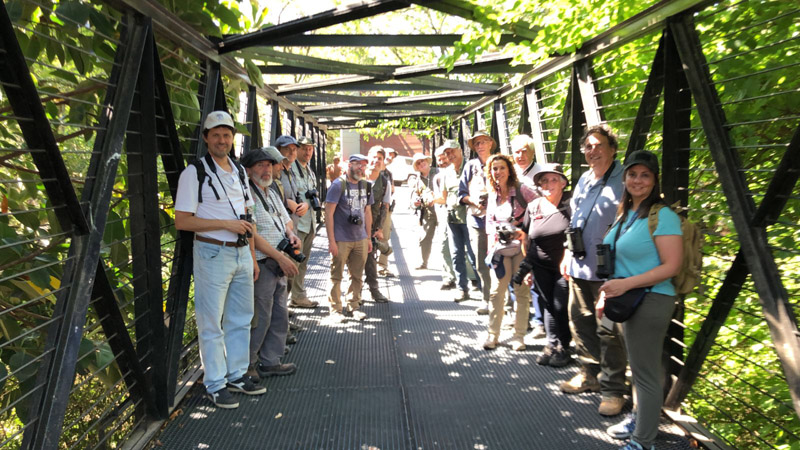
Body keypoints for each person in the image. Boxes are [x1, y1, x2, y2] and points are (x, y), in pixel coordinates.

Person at [174, 111, 266, 409]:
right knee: (211, 321)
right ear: (206, 138)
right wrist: (225, 224)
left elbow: (248, 216)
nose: (222, 140)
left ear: (232, 138)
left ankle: (236, 374)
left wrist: (252, 257)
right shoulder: (194, 173)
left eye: (226, 135)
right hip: (212, 253)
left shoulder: (239, 171)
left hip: (241, 253)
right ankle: (215, 383)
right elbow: (182, 221)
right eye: (216, 135)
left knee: (241, 317)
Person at [598, 150, 682, 450]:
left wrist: (625, 285)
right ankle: (639, 419)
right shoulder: (627, 213)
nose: (638, 180)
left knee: (645, 373)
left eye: (645, 175)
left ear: (655, 180)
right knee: (640, 367)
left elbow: (672, 266)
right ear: (625, 178)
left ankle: (643, 441)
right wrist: (607, 293)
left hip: (650, 299)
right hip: (627, 299)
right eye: (632, 174)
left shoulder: (663, 216)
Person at [559, 124, 628, 417]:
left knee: (609, 330)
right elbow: (575, 218)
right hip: (579, 265)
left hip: (610, 270)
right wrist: (566, 252)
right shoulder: (585, 179)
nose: (593, 151)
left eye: (599, 145)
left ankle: (613, 389)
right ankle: (589, 375)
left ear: (612, 149)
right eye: (588, 146)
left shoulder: (625, 179)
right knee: (580, 322)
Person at [240, 147, 301, 382]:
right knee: (260, 317)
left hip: (277, 262)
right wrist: (281, 257)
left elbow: (286, 220)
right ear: (248, 170)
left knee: (279, 314)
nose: (266, 169)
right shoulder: (246, 195)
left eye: (268, 165)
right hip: (263, 262)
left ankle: (270, 361)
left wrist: (291, 235)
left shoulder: (271, 191)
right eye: (260, 165)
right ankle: (247, 365)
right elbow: (252, 235)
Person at [482, 154, 539, 351]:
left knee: (521, 291)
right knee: (496, 292)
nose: (498, 172)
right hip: (500, 249)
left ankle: (519, 336)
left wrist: (525, 231)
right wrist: (490, 250)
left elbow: (541, 208)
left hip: (520, 248)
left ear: (509, 170)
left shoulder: (522, 190)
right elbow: (489, 226)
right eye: (494, 169)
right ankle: (493, 334)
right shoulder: (492, 195)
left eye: (502, 168)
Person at [523, 164, 572, 366]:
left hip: (564, 267)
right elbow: (526, 238)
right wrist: (528, 267)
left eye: (553, 180)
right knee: (547, 305)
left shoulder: (571, 204)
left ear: (563, 183)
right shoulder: (534, 206)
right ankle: (551, 344)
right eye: (544, 181)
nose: (548, 184)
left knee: (560, 306)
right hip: (540, 266)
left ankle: (564, 346)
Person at [325, 154, 374, 321]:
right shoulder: (338, 185)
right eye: (358, 164)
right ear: (349, 165)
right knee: (336, 275)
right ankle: (335, 310)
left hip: (360, 238)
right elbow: (328, 213)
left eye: (364, 165)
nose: (361, 168)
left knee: (357, 275)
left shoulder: (366, 186)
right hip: (341, 238)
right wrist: (332, 241)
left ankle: (353, 305)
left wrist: (368, 237)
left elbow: (367, 212)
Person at [437, 140, 481, 302]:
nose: (450, 155)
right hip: (453, 219)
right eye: (447, 153)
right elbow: (444, 197)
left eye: (452, 151)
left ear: (460, 150)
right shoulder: (446, 172)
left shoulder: (471, 168)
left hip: (470, 218)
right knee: (456, 255)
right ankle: (462, 289)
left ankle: (484, 289)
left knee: (474, 254)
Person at [512, 134, 546, 337]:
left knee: (535, 275)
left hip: (536, 230)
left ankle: (539, 321)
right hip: (515, 232)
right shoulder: (511, 172)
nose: (521, 155)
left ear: (532, 152)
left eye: (525, 151)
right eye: (517, 151)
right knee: (516, 275)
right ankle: (520, 318)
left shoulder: (541, 173)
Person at [459, 130, 495, 314]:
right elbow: (461, 194)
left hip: (497, 221)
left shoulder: (498, 163)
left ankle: (505, 304)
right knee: (481, 263)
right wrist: (473, 201)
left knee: (501, 262)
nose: (480, 146)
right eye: (477, 143)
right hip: (476, 220)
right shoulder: (470, 166)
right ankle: (486, 299)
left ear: (490, 143)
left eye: (483, 142)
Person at [288, 136, 320, 309]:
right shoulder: (290, 169)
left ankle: (298, 296)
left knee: (303, 262)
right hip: (297, 224)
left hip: (310, 223)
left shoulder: (309, 170)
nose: (308, 152)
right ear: (297, 149)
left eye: (310, 149)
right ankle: (283, 302)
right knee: (292, 262)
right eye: (304, 148)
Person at [363, 146, 391, 303]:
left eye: (379, 158)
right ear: (368, 157)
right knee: (352, 261)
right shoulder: (357, 176)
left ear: (383, 162)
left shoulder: (385, 183)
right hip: (351, 226)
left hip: (371, 226)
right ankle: (354, 294)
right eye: (374, 157)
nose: (376, 161)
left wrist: (379, 228)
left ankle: (374, 290)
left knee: (370, 260)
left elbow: (385, 206)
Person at [431, 146, 457, 289]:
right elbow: (439, 198)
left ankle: (470, 277)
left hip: (458, 215)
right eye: (439, 160)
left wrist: (433, 199)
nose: (442, 162)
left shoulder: (457, 174)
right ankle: (448, 277)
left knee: (461, 248)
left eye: (444, 158)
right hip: (443, 216)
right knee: (444, 246)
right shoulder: (437, 178)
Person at [410, 153, 437, 270]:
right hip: (428, 212)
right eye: (418, 163)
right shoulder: (417, 180)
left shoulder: (438, 173)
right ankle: (423, 262)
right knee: (425, 238)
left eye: (422, 161)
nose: (421, 164)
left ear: (427, 161)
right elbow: (413, 197)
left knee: (447, 239)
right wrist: (415, 203)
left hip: (442, 209)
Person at [377, 148, 396, 277]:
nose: (390, 158)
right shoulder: (369, 171)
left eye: (392, 157)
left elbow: (392, 190)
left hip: (385, 208)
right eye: (388, 155)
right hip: (370, 209)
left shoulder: (388, 174)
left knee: (384, 236)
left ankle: (382, 266)